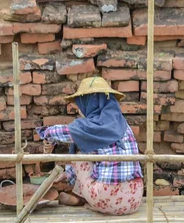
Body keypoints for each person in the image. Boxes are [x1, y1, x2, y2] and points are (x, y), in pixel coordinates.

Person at [36, 77, 144, 215]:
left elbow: (63, 133)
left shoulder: (89, 126)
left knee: (80, 154)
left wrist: (46, 133)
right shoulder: (123, 124)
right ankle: (78, 196)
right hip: (134, 199)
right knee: (91, 155)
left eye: (81, 103)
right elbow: (96, 158)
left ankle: (80, 196)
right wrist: (65, 175)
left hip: (106, 199)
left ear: (89, 102)